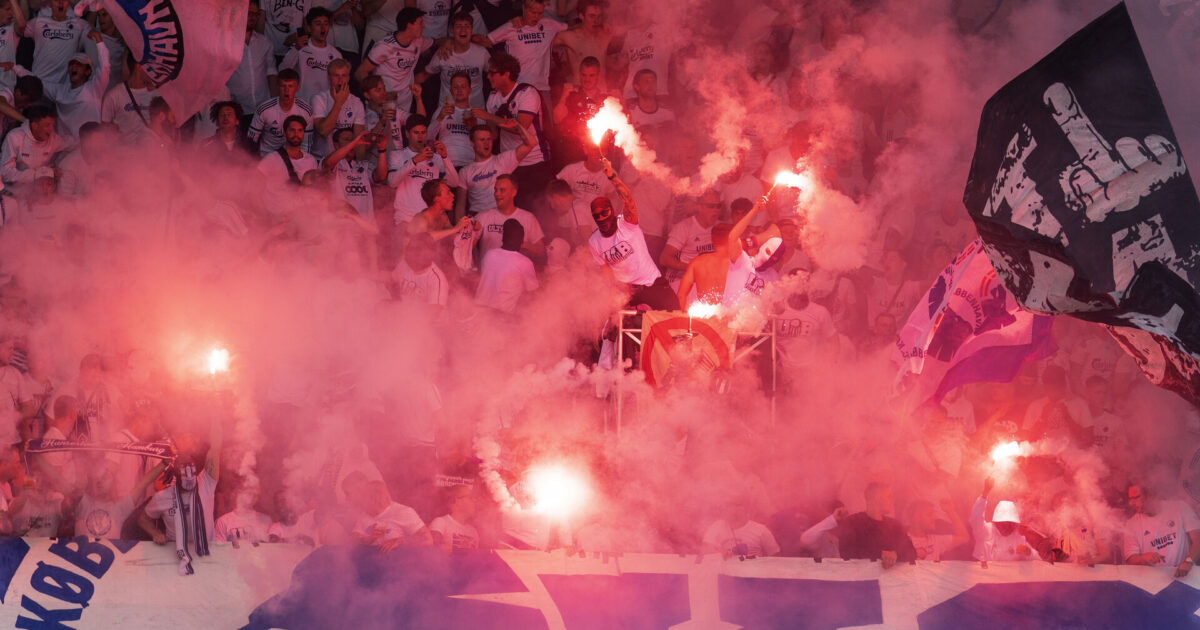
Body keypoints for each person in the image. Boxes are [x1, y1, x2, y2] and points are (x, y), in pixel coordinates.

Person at [588, 157, 678, 311]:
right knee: (611, 320)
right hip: (626, 292)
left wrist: (612, 176)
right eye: (597, 215)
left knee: (675, 315)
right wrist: (609, 297)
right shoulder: (594, 241)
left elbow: (628, 199)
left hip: (650, 284)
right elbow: (606, 273)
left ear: (611, 210)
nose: (601, 218)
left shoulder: (626, 224)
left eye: (604, 213)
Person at [141, 421, 223, 575]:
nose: (189, 474)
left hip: (206, 558)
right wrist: (155, 533)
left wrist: (216, 415)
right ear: (175, 474)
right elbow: (143, 519)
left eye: (191, 468)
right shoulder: (163, 497)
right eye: (184, 470)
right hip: (174, 561)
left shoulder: (205, 483)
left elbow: (216, 448)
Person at [476, 52, 550, 207]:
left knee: (538, 208)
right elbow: (493, 135)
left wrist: (489, 116)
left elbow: (521, 127)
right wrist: (474, 126)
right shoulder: (493, 98)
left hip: (534, 161)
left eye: (492, 73)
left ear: (506, 74)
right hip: (510, 163)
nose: (488, 77)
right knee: (514, 209)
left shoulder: (527, 93)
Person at [677, 195, 768, 309]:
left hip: (704, 315)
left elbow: (681, 295)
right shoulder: (736, 262)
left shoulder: (696, 262)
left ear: (711, 240)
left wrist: (683, 315)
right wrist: (754, 210)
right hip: (728, 315)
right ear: (732, 241)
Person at [800, 483, 916, 568]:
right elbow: (848, 552)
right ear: (876, 497)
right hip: (863, 586)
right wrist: (881, 555)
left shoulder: (895, 525)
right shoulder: (853, 522)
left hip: (892, 587)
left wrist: (895, 555)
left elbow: (911, 552)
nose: (892, 500)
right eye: (889, 496)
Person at [478, 0, 567, 99]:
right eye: (533, 12)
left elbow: (573, 30)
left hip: (542, 88)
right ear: (524, 8)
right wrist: (470, 37)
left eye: (540, 13)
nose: (536, 17)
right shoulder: (512, 26)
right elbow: (486, 41)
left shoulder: (549, 25)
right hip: (517, 88)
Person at [32, 29, 109, 141]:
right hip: (64, 147)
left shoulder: (94, 88)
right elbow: (36, 82)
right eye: (71, 64)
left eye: (79, 65)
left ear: (88, 71)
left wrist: (99, 40)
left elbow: (105, 67)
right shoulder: (60, 90)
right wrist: (16, 69)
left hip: (89, 145)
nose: (74, 67)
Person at [353, 7, 431, 114]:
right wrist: (379, 94)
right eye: (420, 22)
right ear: (409, 25)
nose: (424, 26)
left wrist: (447, 43)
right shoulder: (384, 46)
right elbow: (359, 73)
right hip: (384, 105)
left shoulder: (418, 41)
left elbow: (437, 42)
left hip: (405, 104)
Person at [388, 115, 461, 226]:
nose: (420, 136)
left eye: (423, 132)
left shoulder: (436, 158)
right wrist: (414, 161)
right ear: (407, 134)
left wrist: (445, 157)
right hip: (404, 219)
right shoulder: (397, 155)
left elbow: (454, 183)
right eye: (416, 132)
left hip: (430, 221)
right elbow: (392, 182)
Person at [456, 121, 535, 217]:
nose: (486, 143)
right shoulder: (465, 171)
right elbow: (460, 205)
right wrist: (460, 226)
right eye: (482, 140)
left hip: (500, 217)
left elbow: (531, 143)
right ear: (472, 143)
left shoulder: (503, 160)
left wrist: (518, 126)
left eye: (489, 139)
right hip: (477, 218)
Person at [76, 459, 165, 539]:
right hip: (82, 552)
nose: (99, 482)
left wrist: (164, 463)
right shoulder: (84, 503)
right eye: (95, 479)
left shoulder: (120, 506)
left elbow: (142, 484)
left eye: (104, 477)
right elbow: (68, 485)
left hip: (111, 552)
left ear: (113, 482)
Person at [970, 477, 1054, 562]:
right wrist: (985, 494)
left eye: (1010, 524)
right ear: (997, 522)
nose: (1007, 527)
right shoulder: (985, 531)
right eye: (1004, 523)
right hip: (983, 569)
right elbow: (976, 518)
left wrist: (1029, 553)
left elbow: (1038, 561)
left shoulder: (1018, 539)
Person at [1125, 483, 1200, 577]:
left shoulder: (1180, 508)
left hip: (1184, 577)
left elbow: (1198, 540)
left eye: (1136, 497)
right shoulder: (1131, 524)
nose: (1131, 503)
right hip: (1152, 579)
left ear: (1150, 494)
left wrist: (1188, 562)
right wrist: (1144, 558)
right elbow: (1131, 558)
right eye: (1130, 499)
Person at [557, 142, 618, 245]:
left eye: (602, 150)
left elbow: (614, 201)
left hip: (594, 225)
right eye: (594, 149)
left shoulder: (610, 174)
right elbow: (555, 191)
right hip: (569, 225)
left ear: (606, 152)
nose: (598, 153)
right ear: (586, 150)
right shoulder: (571, 170)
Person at [425, 12, 490, 109]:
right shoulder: (443, 53)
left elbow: (496, 74)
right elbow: (425, 75)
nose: (463, 30)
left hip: (475, 111)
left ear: (472, 30)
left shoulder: (482, 52)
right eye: (459, 26)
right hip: (448, 112)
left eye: (467, 26)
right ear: (452, 30)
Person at [15, 0, 90, 84]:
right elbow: (19, 27)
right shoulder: (37, 22)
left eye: (64, 0)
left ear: (68, 3)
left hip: (65, 87)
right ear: (50, 4)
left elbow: (90, 7)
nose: (60, 2)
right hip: (39, 83)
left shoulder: (80, 25)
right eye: (56, 0)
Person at [476, 219, 539, 314]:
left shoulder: (489, 254)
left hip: (478, 310)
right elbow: (532, 293)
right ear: (522, 241)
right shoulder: (525, 262)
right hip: (500, 316)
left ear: (503, 238)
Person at [281, 8, 344, 104]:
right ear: (309, 28)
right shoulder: (300, 47)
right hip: (302, 104)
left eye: (326, 24)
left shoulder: (336, 54)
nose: (323, 28)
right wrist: (296, 49)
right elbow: (282, 70)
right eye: (318, 24)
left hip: (325, 106)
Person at [474, 174, 545, 259]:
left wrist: (522, 244)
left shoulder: (528, 218)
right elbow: (466, 247)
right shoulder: (482, 217)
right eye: (496, 190)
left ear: (513, 192)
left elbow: (541, 251)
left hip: (516, 267)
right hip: (489, 267)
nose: (497, 194)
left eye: (502, 190)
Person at [228, 1, 279, 117]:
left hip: (262, 107)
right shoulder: (227, 42)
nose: (253, 17)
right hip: (236, 108)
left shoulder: (264, 42)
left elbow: (272, 74)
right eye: (249, 13)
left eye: (256, 14)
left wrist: (275, 106)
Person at [0, 104, 65, 195]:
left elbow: (74, 144)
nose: (51, 129)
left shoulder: (53, 139)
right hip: (12, 193)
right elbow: (5, 173)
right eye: (47, 125)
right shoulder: (14, 137)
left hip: (39, 194)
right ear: (34, 125)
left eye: (52, 125)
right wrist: (39, 174)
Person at [248, 68, 314, 156]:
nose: (287, 90)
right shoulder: (264, 109)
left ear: (297, 88)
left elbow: (306, 145)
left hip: (292, 158)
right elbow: (251, 140)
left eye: (290, 86)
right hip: (267, 156)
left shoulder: (306, 111)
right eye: (283, 86)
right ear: (278, 87)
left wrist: (301, 161)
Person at [323, 128, 388, 218]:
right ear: (336, 144)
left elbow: (381, 177)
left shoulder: (364, 165)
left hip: (365, 223)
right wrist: (353, 143)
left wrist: (382, 149)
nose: (353, 143)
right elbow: (328, 164)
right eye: (347, 139)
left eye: (353, 139)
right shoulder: (333, 164)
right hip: (340, 222)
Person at [352, 480, 434, 550]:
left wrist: (398, 541)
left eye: (363, 498)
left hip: (398, 559)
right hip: (369, 559)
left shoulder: (403, 512)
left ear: (374, 499)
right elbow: (352, 543)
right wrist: (370, 538)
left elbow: (427, 539)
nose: (360, 503)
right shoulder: (363, 516)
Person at [660, 191, 719, 286]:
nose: (716, 210)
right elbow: (664, 259)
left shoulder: (719, 227)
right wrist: (693, 268)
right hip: (679, 281)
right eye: (711, 206)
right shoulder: (684, 227)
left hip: (704, 281)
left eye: (718, 206)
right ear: (699, 207)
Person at [311, 58, 366, 159]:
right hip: (322, 158)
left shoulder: (357, 102)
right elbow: (324, 131)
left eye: (344, 76)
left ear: (348, 78)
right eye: (336, 75)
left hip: (345, 160)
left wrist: (360, 163)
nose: (340, 80)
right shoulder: (319, 99)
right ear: (329, 77)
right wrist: (339, 103)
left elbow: (358, 140)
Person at [553, 0, 611, 91]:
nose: (596, 21)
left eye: (599, 16)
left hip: (601, 92)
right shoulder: (570, 37)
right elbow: (543, 45)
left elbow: (631, 27)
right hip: (579, 93)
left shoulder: (606, 35)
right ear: (581, 16)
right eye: (592, 16)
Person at [701, 497, 781, 558]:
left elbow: (776, 558)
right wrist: (720, 552)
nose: (733, 509)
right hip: (724, 572)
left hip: (752, 572)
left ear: (747, 509)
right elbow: (705, 552)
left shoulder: (761, 530)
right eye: (729, 505)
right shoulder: (717, 526)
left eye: (737, 505)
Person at [99, 61, 157, 145]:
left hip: (151, 150)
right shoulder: (114, 95)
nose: (154, 72)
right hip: (124, 151)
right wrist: (111, 132)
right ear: (139, 67)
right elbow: (104, 129)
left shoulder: (157, 94)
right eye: (151, 67)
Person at [392, 231, 448, 310]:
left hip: (418, 317)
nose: (412, 254)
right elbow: (392, 282)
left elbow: (433, 313)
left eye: (418, 250)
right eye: (410, 249)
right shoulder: (403, 264)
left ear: (431, 253)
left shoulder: (436, 279)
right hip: (401, 312)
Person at [258, 115, 320, 186]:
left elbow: (316, 187)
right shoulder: (272, 158)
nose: (296, 134)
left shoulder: (311, 160)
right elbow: (256, 183)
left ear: (303, 133)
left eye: (300, 130)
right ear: (284, 133)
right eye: (292, 130)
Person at [430, 71, 475, 168]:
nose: (459, 90)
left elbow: (483, 143)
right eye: (455, 87)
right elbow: (428, 138)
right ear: (451, 91)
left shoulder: (476, 113)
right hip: (444, 163)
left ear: (470, 90)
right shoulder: (442, 110)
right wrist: (440, 118)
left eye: (463, 87)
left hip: (469, 165)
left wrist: (473, 128)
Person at [906, 497, 969, 562]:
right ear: (916, 518)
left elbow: (964, 537)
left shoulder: (936, 541)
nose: (934, 518)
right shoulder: (903, 541)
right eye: (929, 515)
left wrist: (950, 511)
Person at [429, 484, 480, 552]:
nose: (474, 500)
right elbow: (431, 549)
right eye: (470, 497)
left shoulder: (473, 532)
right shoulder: (440, 522)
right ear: (457, 500)